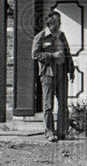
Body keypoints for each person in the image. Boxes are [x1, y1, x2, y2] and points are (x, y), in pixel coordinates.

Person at [32, 10, 75, 141]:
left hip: (62, 72)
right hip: (48, 74)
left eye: (60, 21)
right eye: (57, 22)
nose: (60, 24)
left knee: (63, 103)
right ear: (50, 22)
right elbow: (35, 55)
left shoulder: (62, 35)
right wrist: (52, 55)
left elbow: (67, 53)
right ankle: (49, 132)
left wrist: (71, 69)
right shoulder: (40, 37)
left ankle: (63, 132)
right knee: (48, 105)